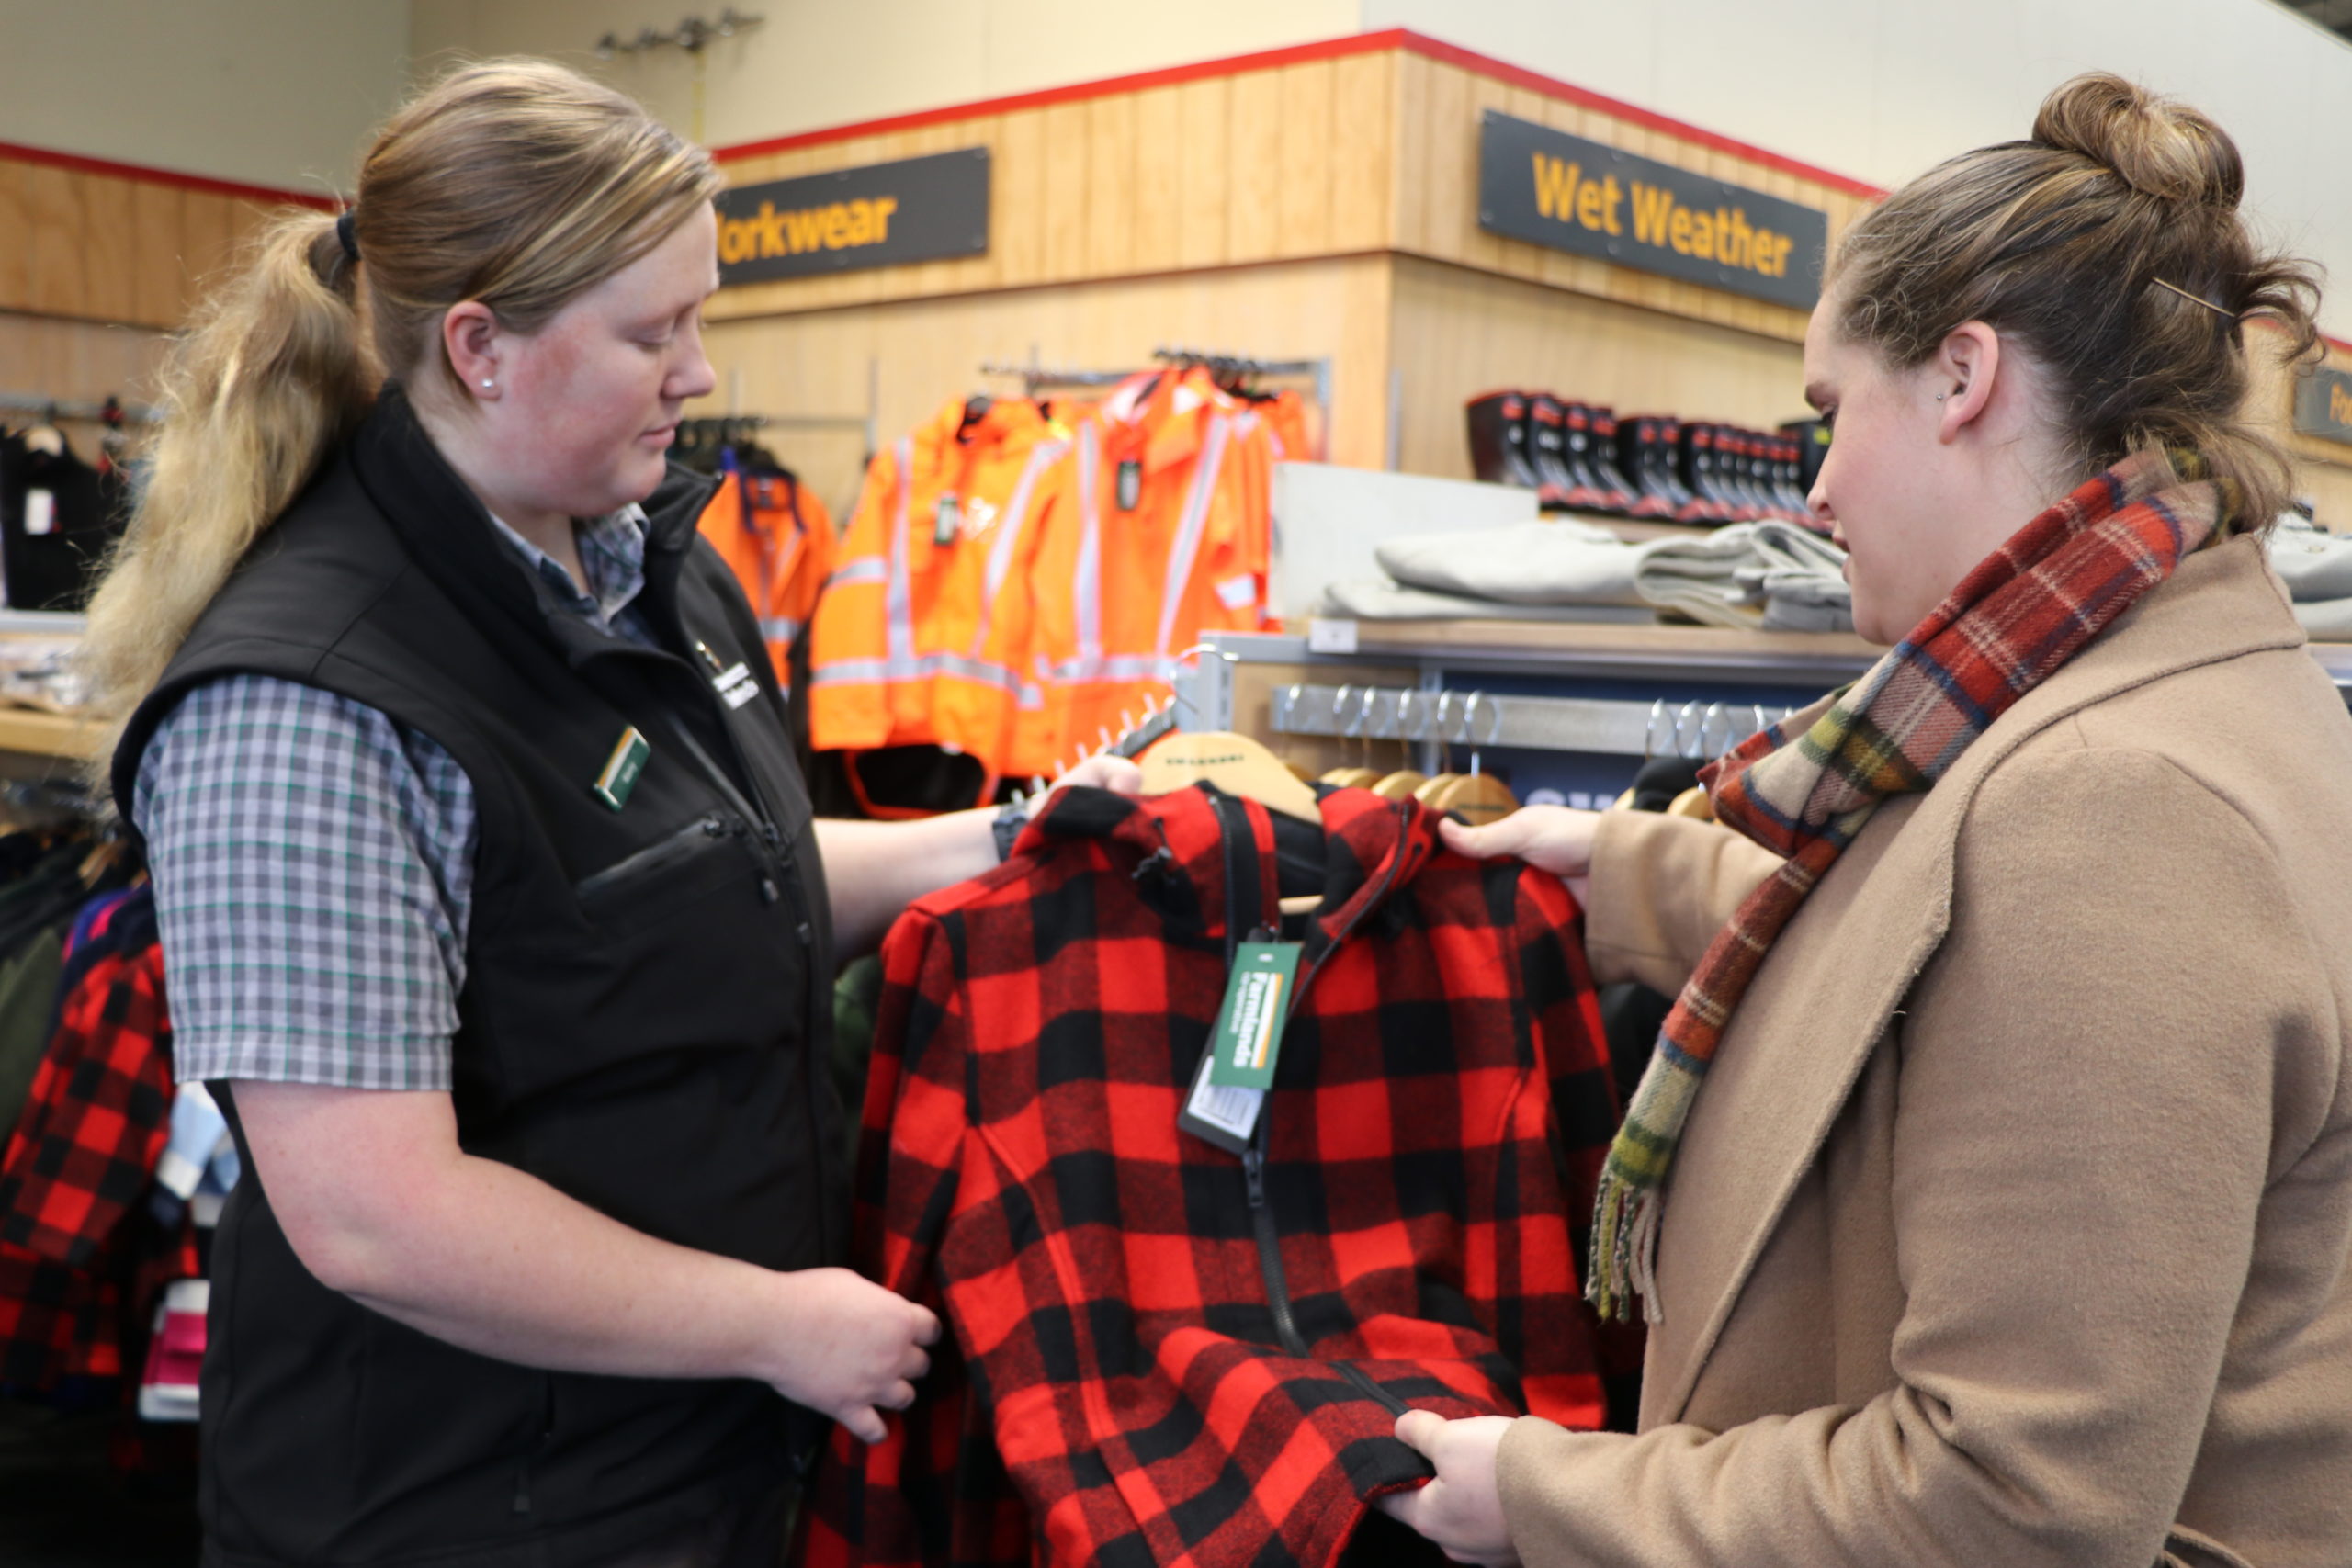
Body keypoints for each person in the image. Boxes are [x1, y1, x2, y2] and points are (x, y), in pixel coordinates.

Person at [78, 60, 1135, 1568]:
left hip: (691, 1465)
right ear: (481, 347)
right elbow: (377, 1215)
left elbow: (700, 890)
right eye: (654, 331)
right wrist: (772, 1324)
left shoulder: (656, 568)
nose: (698, 371)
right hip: (460, 1504)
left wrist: (1012, 837)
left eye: (698, 317)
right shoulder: (307, 701)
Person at [1379, 73, 2352, 1568]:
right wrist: (1633, 869)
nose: (1819, 487)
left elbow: (2008, 1505)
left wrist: (1543, 1498)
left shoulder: (2111, 803)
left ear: (1962, 376)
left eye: (1831, 411)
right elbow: (1965, 973)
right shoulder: (2145, 691)